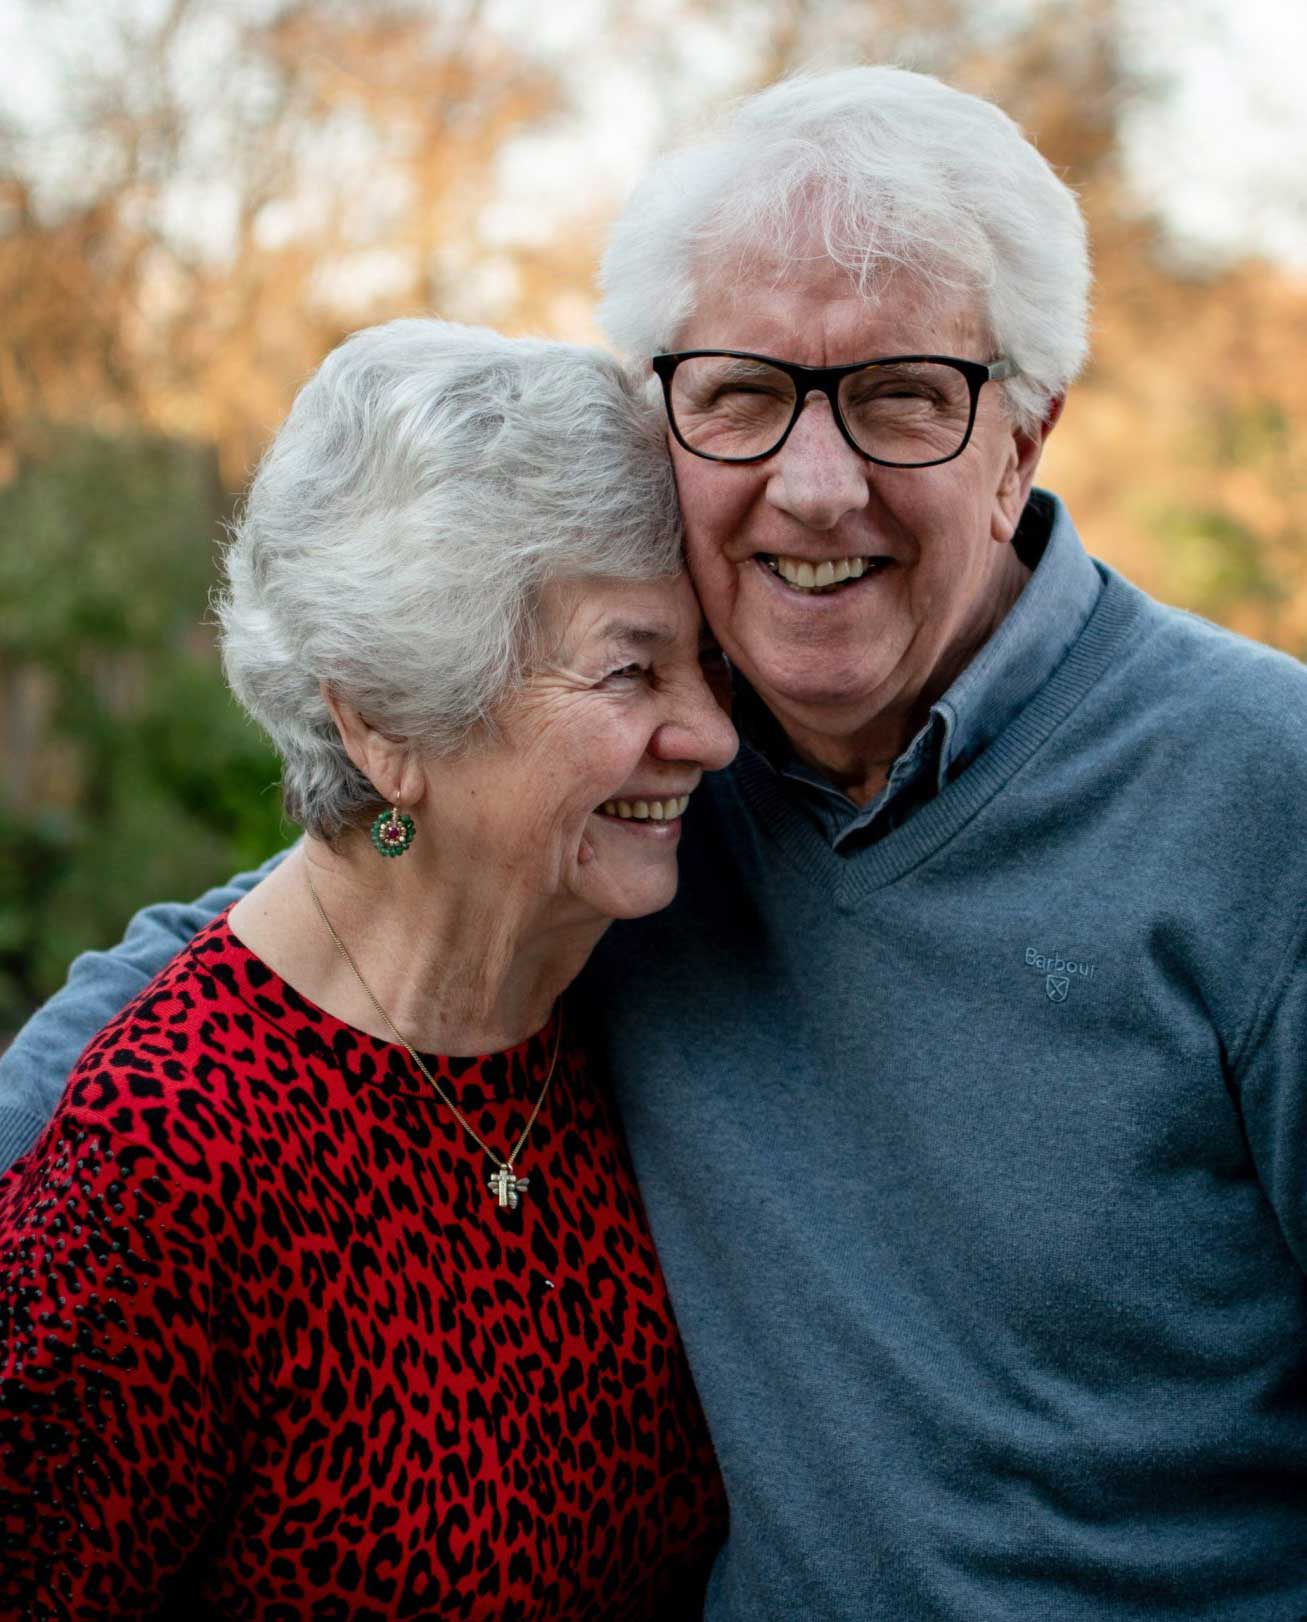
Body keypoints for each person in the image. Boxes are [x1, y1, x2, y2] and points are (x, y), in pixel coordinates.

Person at [4, 63, 1307, 1621]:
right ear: (671, 408)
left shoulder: (1263, 800)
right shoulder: (675, 783)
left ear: (1027, 430)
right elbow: (336, 895)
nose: (815, 491)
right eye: (748, 392)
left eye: (904, 393)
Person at [0, 319, 736, 1617]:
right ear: (387, 719)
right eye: (633, 670)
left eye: (707, 664)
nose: (711, 734)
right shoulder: (163, 1159)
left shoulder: (608, 1015)